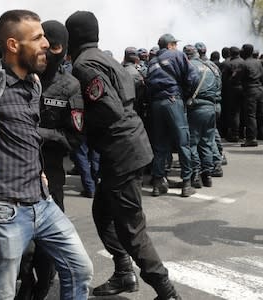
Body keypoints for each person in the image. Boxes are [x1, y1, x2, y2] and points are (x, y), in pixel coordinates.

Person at [0, 9, 93, 300]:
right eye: (38, 37)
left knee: (80, 269)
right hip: (5, 209)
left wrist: (37, 168)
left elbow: (28, 134)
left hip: (43, 201)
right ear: (14, 45)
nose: (45, 44)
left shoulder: (34, 83)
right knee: (2, 291)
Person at [65, 11, 181, 300]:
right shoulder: (105, 57)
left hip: (121, 150)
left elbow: (108, 110)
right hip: (128, 145)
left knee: (131, 229)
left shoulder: (83, 65)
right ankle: (124, 273)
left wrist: (77, 127)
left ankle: (167, 292)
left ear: (71, 37)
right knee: (102, 213)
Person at [16, 20, 85, 300]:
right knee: (18, 239)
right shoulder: (20, 77)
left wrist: (37, 133)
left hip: (51, 174)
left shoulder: (71, 87)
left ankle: (42, 285)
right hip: (17, 172)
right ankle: (27, 281)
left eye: (54, 47)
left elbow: (75, 139)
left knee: (46, 243)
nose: (46, 53)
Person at [146, 33, 200, 197]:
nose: (176, 46)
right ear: (169, 45)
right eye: (174, 43)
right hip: (173, 101)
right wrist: (186, 94)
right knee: (183, 142)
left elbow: (148, 85)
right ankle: (187, 183)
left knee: (160, 144)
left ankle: (157, 183)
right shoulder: (178, 55)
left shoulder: (152, 62)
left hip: (156, 104)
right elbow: (193, 76)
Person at [183, 45, 221, 188]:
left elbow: (185, 86)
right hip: (211, 107)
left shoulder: (188, 66)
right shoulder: (211, 67)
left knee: (192, 142)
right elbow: (218, 86)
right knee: (207, 142)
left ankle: (196, 175)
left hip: (196, 108)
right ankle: (208, 175)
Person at [240, 43, 263, 146]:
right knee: (259, 114)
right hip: (259, 89)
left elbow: (238, 78)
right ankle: (258, 135)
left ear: (245, 51)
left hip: (251, 91)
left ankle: (251, 139)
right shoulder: (258, 62)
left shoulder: (244, 64)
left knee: (251, 115)